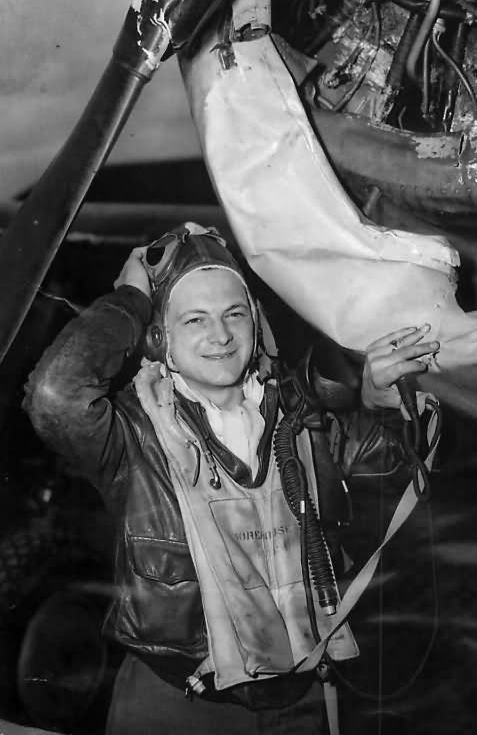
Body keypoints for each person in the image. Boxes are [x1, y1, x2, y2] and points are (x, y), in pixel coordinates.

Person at [24, 223, 439, 735]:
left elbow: (391, 472)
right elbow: (53, 396)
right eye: (195, 319)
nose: (219, 336)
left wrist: (380, 403)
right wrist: (131, 297)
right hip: (179, 704)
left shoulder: (301, 419)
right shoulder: (132, 438)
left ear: (255, 323)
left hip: (298, 695)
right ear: (161, 338)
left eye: (233, 314)